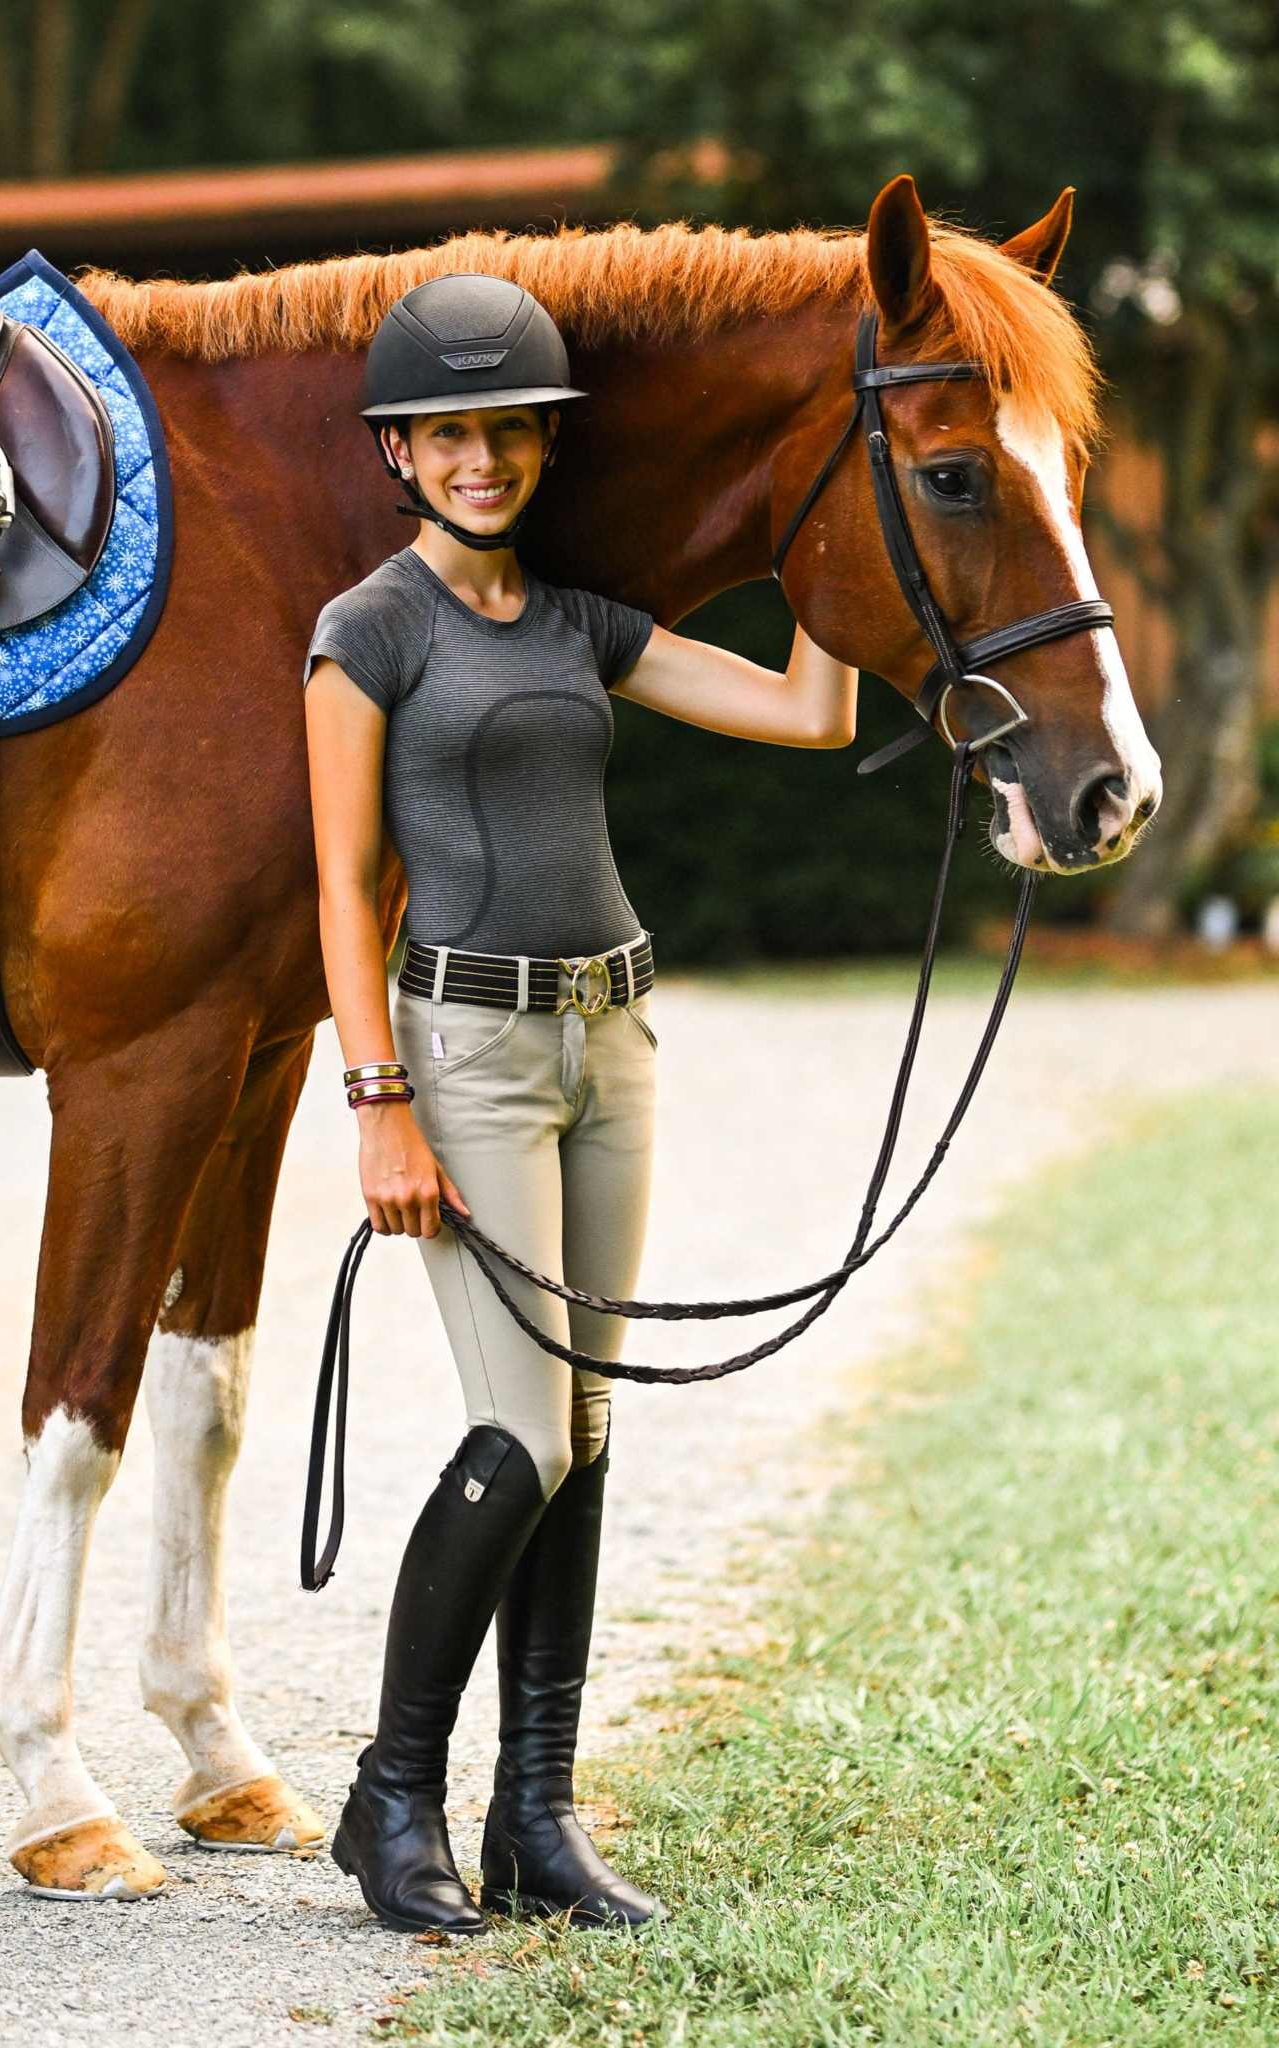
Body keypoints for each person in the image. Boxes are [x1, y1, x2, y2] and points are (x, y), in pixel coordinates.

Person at [302, 272, 859, 1937]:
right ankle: (391, 1801)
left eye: (512, 432)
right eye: (453, 433)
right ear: (400, 449)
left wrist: (826, 522)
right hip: (461, 1051)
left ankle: (535, 1816)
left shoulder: (583, 624)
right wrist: (376, 1103)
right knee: (523, 1429)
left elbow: (812, 711)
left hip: (611, 1045)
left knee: (588, 1431)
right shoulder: (367, 631)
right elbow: (341, 891)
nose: (485, 459)